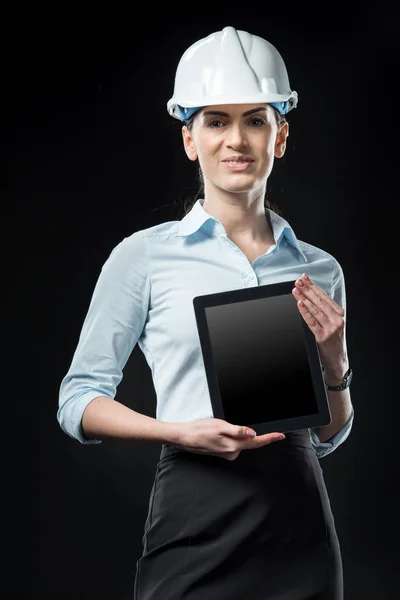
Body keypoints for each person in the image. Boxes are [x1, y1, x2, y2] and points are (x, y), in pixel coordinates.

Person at [57, 26, 355, 599]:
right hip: (195, 505)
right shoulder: (144, 255)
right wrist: (178, 432)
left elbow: (328, 435)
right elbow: (77, 401)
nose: (235, 140)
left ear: (281, 136)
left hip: (298, 523)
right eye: (216, 121)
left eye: (255, 120)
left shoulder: (321, 270)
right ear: (190, 139)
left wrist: (335, 363)